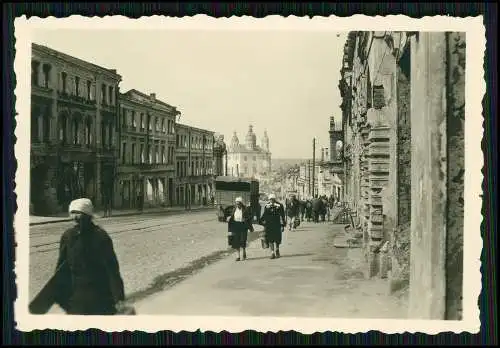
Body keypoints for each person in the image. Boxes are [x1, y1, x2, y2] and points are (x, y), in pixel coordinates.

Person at [53, 198, 126, 315]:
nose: (75, 218)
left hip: (100, 298)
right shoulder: (68, 236)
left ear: (88, 216)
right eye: (72, 213)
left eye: (78, 213)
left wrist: (119, 298)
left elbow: (112, 269)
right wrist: (60, 294)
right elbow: (61, 267)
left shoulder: (100, 237)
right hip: (76, 299)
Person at [227, 197, 254, 261]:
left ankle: (244, 251)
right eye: (237, 203)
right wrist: (229, 218)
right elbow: (231, 216)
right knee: (236, 241)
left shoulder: (245, 209)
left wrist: (246, 220)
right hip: (236, 226)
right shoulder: (234, 209)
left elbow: (250, 217)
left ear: (241, 203)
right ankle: (238, 256)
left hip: (243, 226)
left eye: (239, 203)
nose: (238, 205)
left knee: (243, 240)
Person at [260, 193, 286, 259]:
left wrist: (283, 225)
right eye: (270, 199)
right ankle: (272, 253)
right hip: (269, 225)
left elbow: (282, 216)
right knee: (270, 239)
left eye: (272, 199)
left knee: (277, 239)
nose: (271, 200)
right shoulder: (267, 206)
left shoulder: (280, 205)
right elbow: (265, 214)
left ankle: (277, 249)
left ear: (275, 199)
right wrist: (261, 221)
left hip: (277, 225)